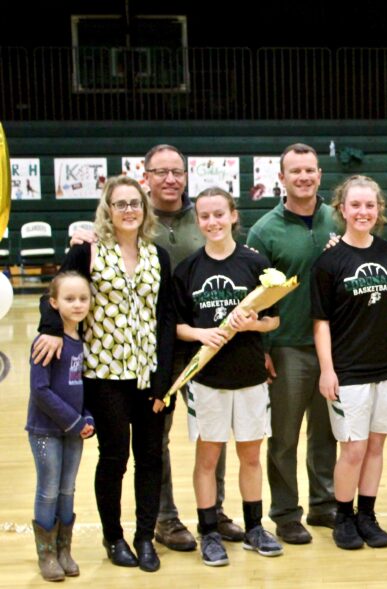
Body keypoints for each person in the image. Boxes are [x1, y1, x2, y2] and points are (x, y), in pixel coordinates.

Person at [65, 144, 244, 549]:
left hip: (206, 346)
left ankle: (213, 512)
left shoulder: (204, 216)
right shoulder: (121, 230)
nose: (170, 179)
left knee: (212, 434)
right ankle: (165, 519)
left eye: (176, 171)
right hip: (149, 353)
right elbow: (71, 281)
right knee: (151, 444)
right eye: (160, 172)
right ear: (145, 176)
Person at [33, 175, 176, 571]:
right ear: (108, 211)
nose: (129, 210)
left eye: (135, 203)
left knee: (151, 457)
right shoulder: (88, 252)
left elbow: (166, 318)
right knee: (114, 457)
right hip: (103, 375)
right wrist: (50, 329)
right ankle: (113, 537)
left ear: (145, 209)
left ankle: (144, 536)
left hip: (149, 376)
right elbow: (55, 294)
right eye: (120, 204)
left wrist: (165, 378)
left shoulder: (158, 256)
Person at [172, 188, 284, 566]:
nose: (213, 222)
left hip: (251, 377)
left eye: (219, 214)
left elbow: (274, 319)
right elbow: (177, 326)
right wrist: (201, 334)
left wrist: (253, 324)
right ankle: (209, 532)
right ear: (197, 221)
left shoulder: (255, 263)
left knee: (250, 457)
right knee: (208, 459)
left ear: (233, 215)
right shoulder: (188, 269)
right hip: (207, 381)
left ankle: (254, 528)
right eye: (205, 216)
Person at [247, 143, 338, 544]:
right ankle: (285, 513)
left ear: (320, 175)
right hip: (287, 347)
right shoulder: (264, 230)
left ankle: (324, 504)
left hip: (332, 346)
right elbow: (254, 297)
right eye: (295, 171)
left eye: (310, 170)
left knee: (327, 433)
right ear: (281, 178)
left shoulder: (338, 218)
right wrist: (263, 349)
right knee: (284, 436)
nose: (304, 177)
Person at [311, 175, 387, 550]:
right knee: (353, 448)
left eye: (370, 205)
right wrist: (327, 369)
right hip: (348, 370)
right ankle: (343, 517)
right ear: (342, 209)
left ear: (379, 210)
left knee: (376, 446)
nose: (363, 212)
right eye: (355, 205)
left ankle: (367, 514)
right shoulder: (328, 261)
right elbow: (321, 322)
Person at [27, 271, 95, 582]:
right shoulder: (45, 342)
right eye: (69, 299)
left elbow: (83, 388)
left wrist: (88, 418)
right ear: (53, 303)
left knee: (68, 489)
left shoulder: (84, 341)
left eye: (83, 298)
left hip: (74, 431)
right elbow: (40, 390)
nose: (78, 304)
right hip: (46, 431)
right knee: (49, 490)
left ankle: (64, 549)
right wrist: (74, 421)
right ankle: (47, 554)